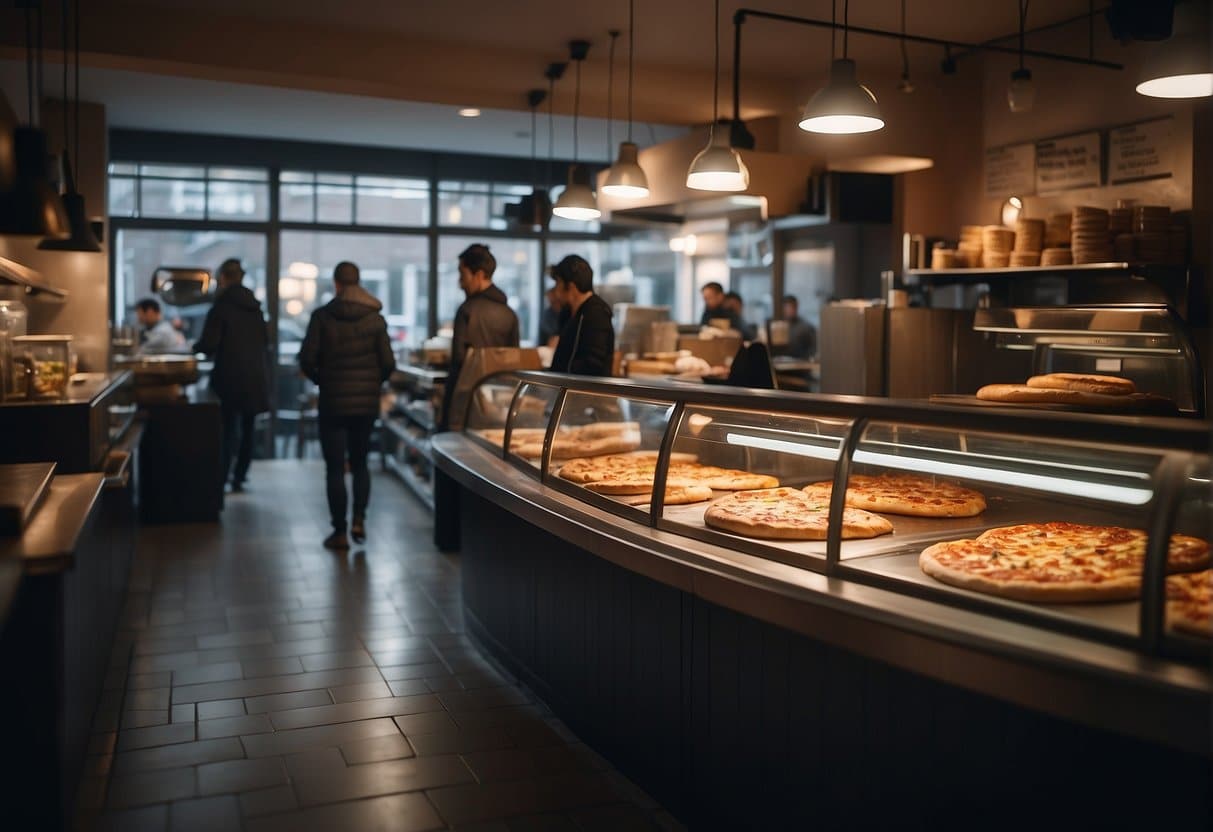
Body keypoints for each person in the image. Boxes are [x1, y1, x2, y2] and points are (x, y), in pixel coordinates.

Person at [299, 261, 396, 551]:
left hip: (332, 403)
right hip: (365, 405)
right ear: (359, 282)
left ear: (337, 284)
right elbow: (389, 364)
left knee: (334, 469)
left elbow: (306, 359)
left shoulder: (321, 317)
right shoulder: (375, 320)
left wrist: (323, 381)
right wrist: (372, 384)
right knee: (361, 464)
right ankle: (359, 520)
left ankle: (339, 532)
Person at [193, 259, 270, 495]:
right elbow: (266, 342)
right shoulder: (256, 308)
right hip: (255, 376)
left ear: (224, 278)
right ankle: (240, 476)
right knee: (248, 428)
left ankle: (222, 476)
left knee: (227, 429)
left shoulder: (221, 308)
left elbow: (209, 344)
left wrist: (194, 348)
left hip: (229, 377)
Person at [442, 244, 519, 430]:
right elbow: (514, 360)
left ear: (478, 274)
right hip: (498, 403)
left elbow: (458, 360)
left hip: (466, 402)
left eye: (463, 274)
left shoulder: (466, 310)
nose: (460, 282)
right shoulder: (509, 313)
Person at [549, 254, 614, 376]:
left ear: (571, 287)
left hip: (588, 392)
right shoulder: (568, 313)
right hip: (568, 390)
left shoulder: (597, 313)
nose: (556, 289)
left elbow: (594, 364)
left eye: (558, 282)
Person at [779, 295, 817, 359]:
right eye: (787, 307)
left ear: (796, 307)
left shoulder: (806, 327)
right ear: (783, 308)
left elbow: (813, 349)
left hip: (800, 363)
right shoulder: (778, 326)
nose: (789, 310)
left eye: (792, 307)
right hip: (781, 362)